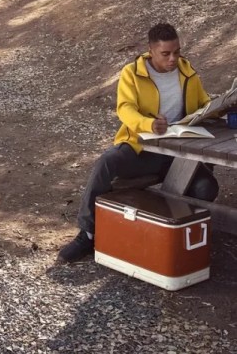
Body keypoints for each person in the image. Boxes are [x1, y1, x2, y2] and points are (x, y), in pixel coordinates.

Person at [58, 22, 219, 263]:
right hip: (143, 149)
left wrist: (219, 107)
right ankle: (87, 234)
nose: (173, 58)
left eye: (177, 51)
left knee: (207, 189)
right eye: (166, 53)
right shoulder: (132, 73)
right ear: (151, 50)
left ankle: (171, 235)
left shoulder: (188, 72)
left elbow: (202, 104)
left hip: (180, 153)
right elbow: (125, 109)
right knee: (107, 161)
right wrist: (148, 124)